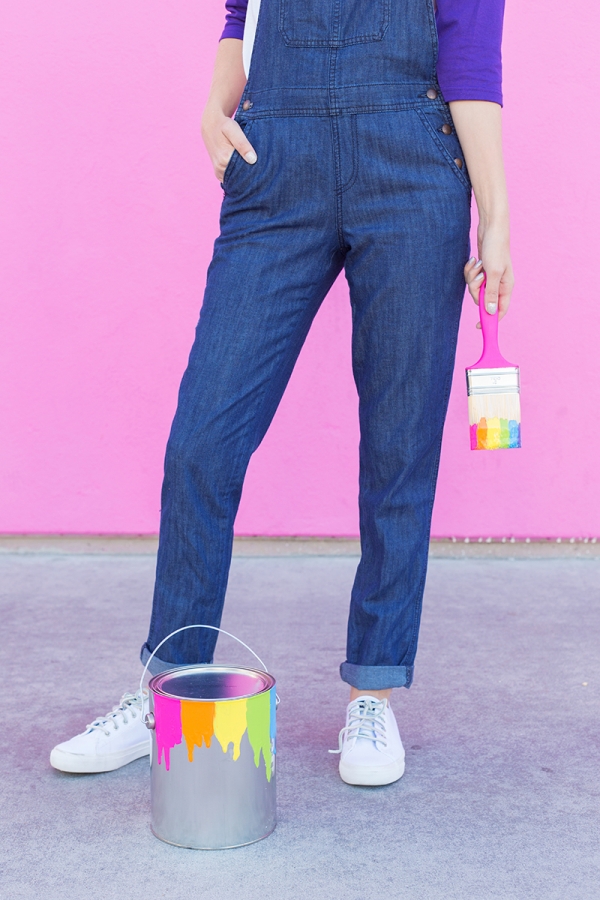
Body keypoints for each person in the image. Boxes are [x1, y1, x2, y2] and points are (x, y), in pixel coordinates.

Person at [51, 0, 513, 786]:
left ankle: (373, 691)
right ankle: (168, 685)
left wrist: (497, 217)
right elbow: (243, 13)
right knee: (203, 439)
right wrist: (213, 107)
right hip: (276, 165)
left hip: (412, 169)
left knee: (400, 446)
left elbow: (469, 51)